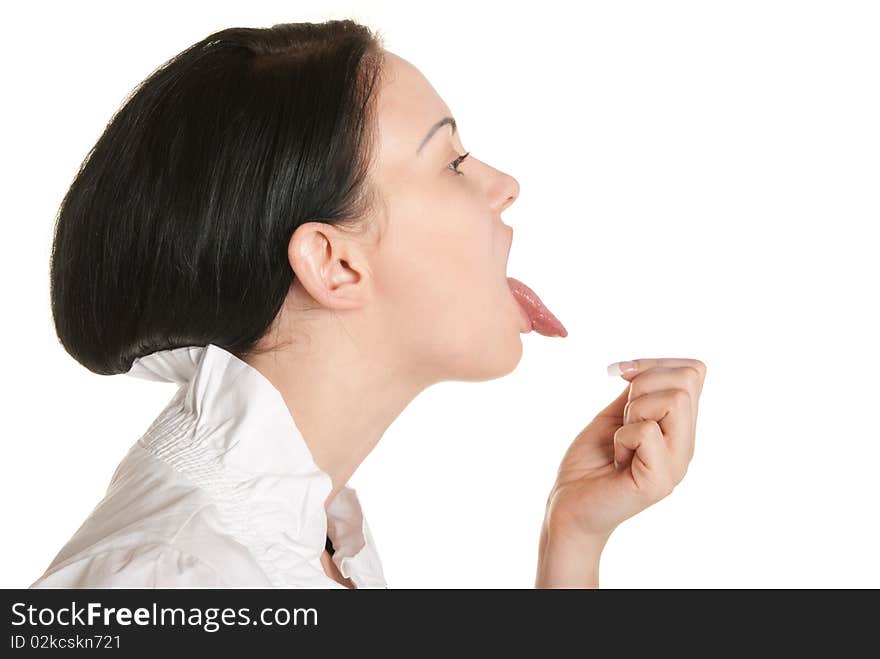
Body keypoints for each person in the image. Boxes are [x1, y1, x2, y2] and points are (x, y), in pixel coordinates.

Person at [32, 19, 705, 589]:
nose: (504, 185)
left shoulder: (310, 532)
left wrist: (573, 536)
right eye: (451, 163)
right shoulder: (172, 581)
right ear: (334, 262)